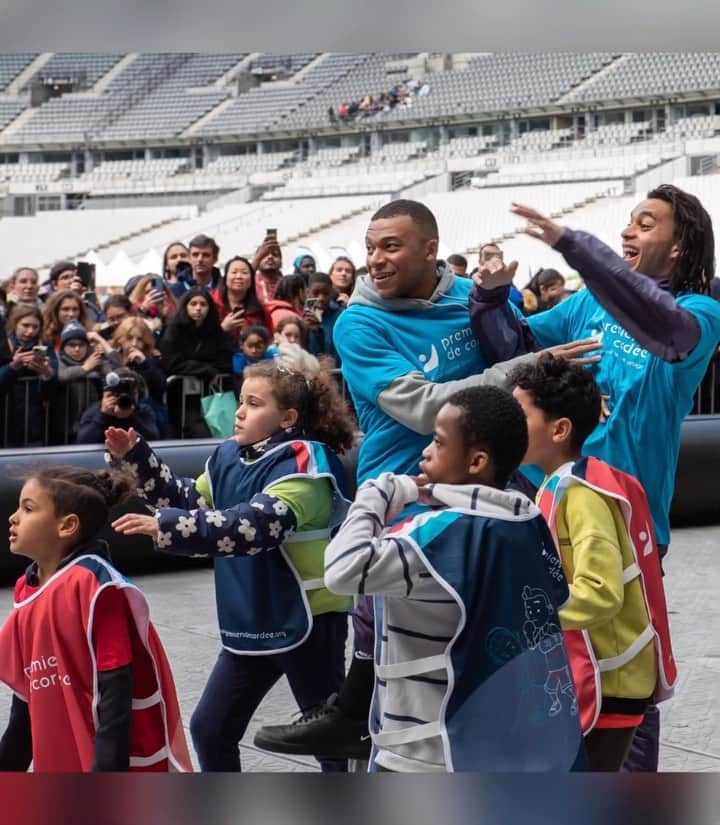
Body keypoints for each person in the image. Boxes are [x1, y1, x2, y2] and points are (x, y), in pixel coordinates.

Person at [252, 198, 597, 760]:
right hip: (405, 490)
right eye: (369, 248)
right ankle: (358, 713)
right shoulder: (360, 323)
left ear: (431, 249)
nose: (375, 260)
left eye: (390, 246)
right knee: (391, 625)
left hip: (481, 490)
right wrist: (517, 372)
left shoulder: (469, 297)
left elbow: (523, 341)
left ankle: (488, 720)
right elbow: (421, 409)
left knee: (479, 623)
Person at [469, 185, 720, 771]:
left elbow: (663, 324)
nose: (629, 231)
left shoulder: (700, 313)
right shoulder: (588, 305)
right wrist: (489, 296)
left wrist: (572, 245)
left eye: (646, 223)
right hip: (551, 500)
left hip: (627, 513)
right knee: (558, 653)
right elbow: (518, 342)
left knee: (628, 664)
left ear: (681, 246)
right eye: (627, 221)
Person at [259, 386, 584, 771]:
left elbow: (342, 569)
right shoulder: (526, 521)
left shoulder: (436, 536)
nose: (426, 451)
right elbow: (557, 598)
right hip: (507, 744)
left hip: (424, 751)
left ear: (477, 460)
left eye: (438, 442)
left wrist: (376, 494)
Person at [109, 354, 356, 773]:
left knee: (330, 744)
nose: (239, 411)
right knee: (210, 729)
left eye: (255, 404)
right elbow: (190, 501)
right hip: (252, 620)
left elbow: (253, 526)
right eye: (242, 400)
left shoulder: (306, 464)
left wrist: (164, 526)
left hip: (310, 624)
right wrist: (138, 458)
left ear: (288, 417)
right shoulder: (228, 457)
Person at [511, 355, 676, 770]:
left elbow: (601, 593)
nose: (509, 425)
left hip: (610, 680)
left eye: (520, 415)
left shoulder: (580, 495)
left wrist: (527, 615)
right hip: (594, 673)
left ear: (560, 429)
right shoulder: (554, 485)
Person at [0, 465, 191, 772]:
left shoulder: (96, 586)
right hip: (58, 749)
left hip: (103, 760)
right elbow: (25, 698)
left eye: (28, 508)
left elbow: (115, 690)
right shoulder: (27, 587)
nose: (14, 517)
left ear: (67, 526)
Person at [159, 287, 233, 438]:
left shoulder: (216, 332)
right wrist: (205, 369)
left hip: (212, 395)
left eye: (203, 304)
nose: (198, 308)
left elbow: (224, 361)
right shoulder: (174, 330)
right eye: (193, 304)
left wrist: (202, 368)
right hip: (181, 397)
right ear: (185, 306)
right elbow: (171, 363)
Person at [0, 303, 57, 447]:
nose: (30, 331)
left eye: (35, 327)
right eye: (25, 325)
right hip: (6, 416)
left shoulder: (45, 344)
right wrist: (13, 366)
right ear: (15, 324)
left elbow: (54, 383)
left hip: (34, 418)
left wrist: (47, 373)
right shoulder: (4, 343)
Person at [56, 320, 117, 442]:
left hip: (91, 418)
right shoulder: (59, 359)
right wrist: (85, 368)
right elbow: (62, 376)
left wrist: (105, 366)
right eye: (72, 345)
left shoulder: (93, 357)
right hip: (66, 424)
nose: (77, 349)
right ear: (64, 347)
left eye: (81, 345)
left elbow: (110, 372)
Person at [76, 368, 162, 445]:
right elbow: (82, 441)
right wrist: (104, 415)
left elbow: (154, 438)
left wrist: (132, 417)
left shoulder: (143, 410)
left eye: (131, 393)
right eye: (119, 393)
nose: (125, 396)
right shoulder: (96, 410)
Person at [212, 256, 267, 344]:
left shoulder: (259, 310)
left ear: (251, 281)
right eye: (234, 272)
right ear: (225, 278)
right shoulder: (210, 304)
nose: (239, 276)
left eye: (244, 273)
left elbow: (267, 339)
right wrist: (222, 329)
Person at [303, 272, 343, 363]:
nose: (321, 298)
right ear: (307, 292)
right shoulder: (302, 318)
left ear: (331, 293)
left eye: (326, 293)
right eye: (316, 293)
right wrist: (313, 331)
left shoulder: (340, 316)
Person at [252, 233, 284, 305]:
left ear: (281, 262)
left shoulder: (287, 284)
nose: (270, 257)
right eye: (265, 255)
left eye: (275, 254)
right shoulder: (250, 284)